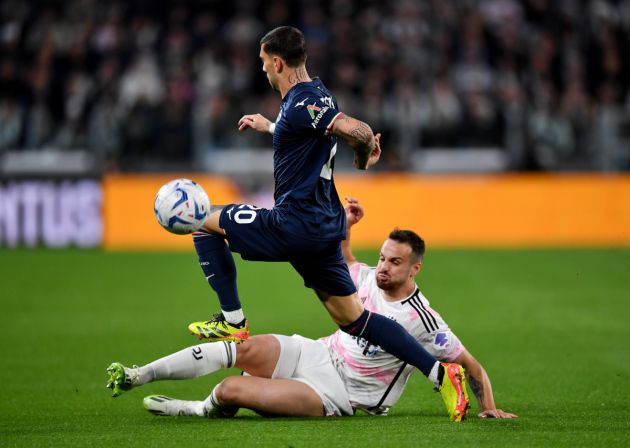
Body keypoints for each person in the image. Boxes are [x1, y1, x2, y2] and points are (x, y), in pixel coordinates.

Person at [184, 26, 466, 418]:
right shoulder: (311, 93)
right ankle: (440, 374)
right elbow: (310, 132)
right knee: (355, 320)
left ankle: (233, 321)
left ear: (277, 61)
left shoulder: (303, 104)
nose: (263, 68)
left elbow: (358, 130)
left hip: (293, 223)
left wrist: (364, 155)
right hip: (323, 226)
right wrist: (270, 126)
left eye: (264, 62)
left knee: (200, 221)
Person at [107, 199, 517, 421]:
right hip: (318, 353)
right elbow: (342, 260)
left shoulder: (424, 318)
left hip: (339, 395)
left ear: (415, 268)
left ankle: (195, 409)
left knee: (233, 389)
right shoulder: (367, 276)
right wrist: (348, 225)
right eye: (384, 257)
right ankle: (139, 374)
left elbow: (471, 366)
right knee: (243, 349)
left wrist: (487, 406)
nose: (384, 267)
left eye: (395, 263)